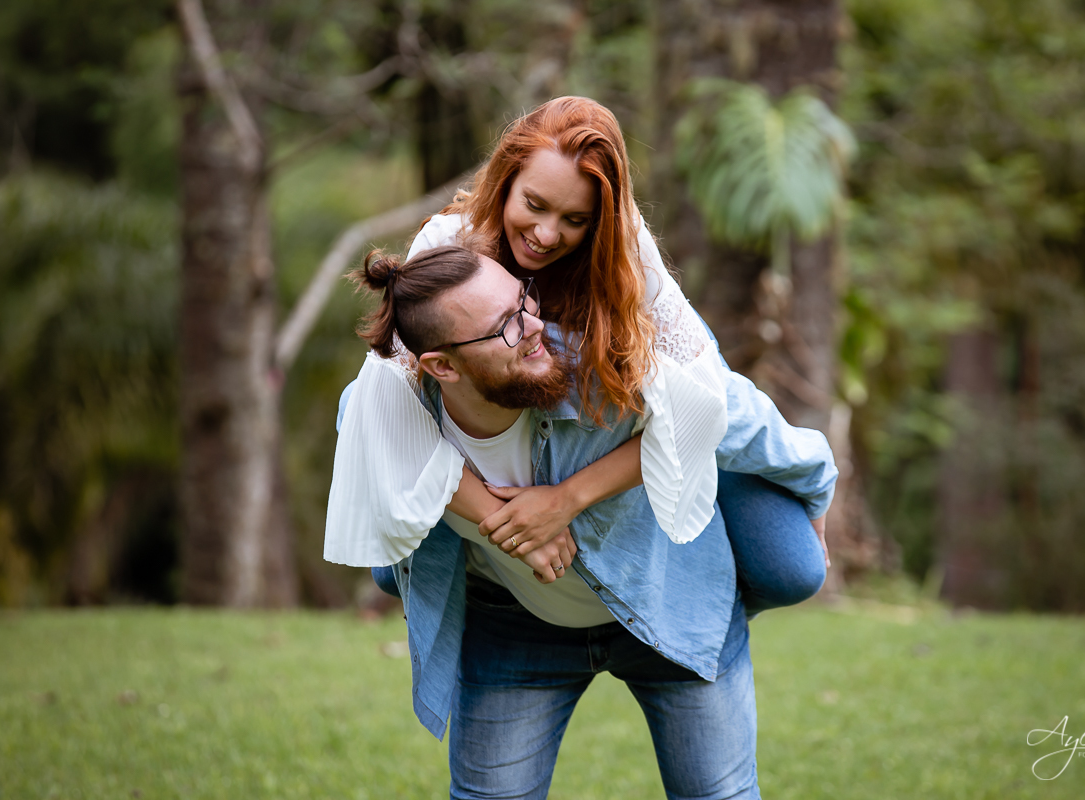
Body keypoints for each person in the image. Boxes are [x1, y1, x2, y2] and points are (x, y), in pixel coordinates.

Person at [327, 244, 842, 798]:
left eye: (524, 300)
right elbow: (359, 423)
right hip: (515, 626)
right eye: (504, 327)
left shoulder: (596, 359)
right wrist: (499, 520)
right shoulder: (393, 407)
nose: (533, 327)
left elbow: (731, 411)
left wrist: (815, 491)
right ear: (443, 367)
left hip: (667, 597)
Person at [328, 95, 833, 616]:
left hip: (653, 382)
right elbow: (374, 407)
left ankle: (700, 514)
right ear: (505, 182)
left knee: (792, 569)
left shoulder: (626, 264)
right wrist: (511, 526)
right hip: (511, 442)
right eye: (534, 205)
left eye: (575, 218)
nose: (547, 235)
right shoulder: (451, 245)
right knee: (393, 562)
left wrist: (563, 501)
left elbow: (712, 407)